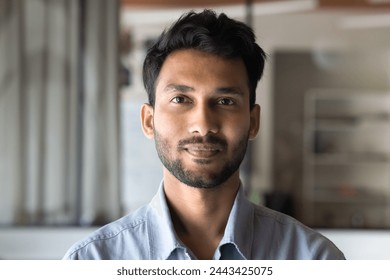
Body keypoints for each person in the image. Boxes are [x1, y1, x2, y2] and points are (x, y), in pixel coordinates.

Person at [63, 9, 345, 260]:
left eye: (225, 101)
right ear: (149, 121)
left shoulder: (314, 259)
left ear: (253, 121)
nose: (203, 125)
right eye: (181, 99)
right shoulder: (93, 260)